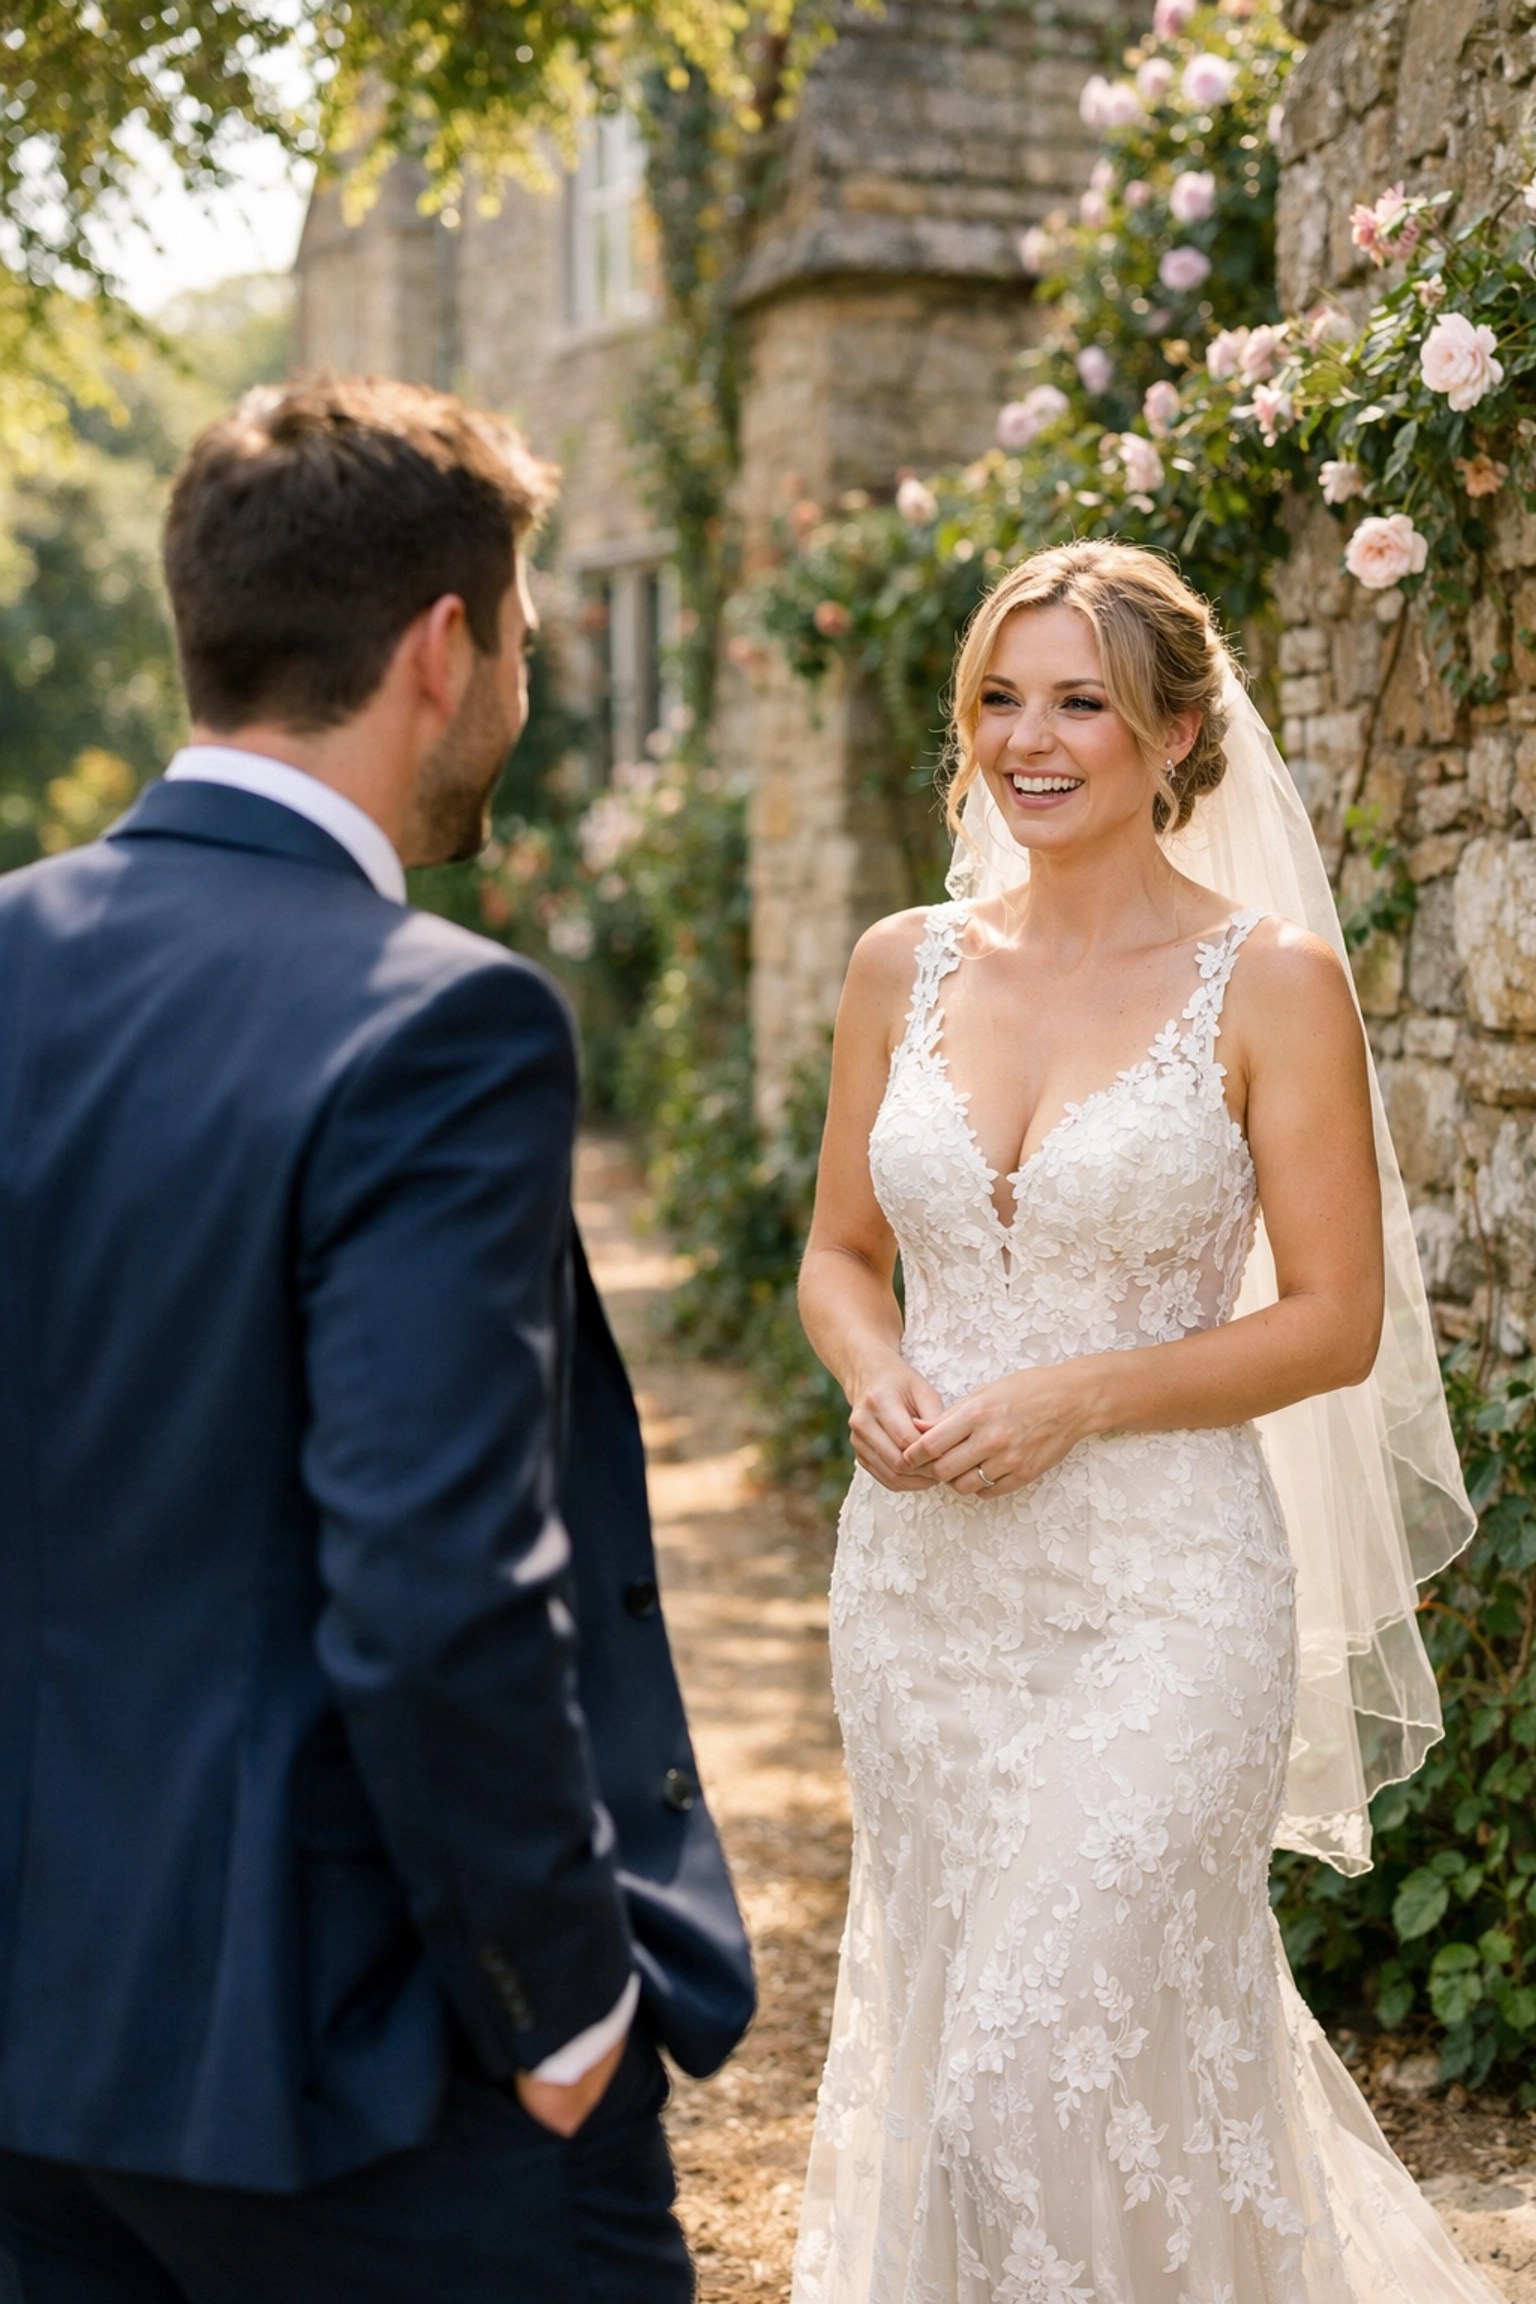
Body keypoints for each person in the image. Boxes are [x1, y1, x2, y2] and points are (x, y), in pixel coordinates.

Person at [0, 377, 753, 2303]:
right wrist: (566, 2007)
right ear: (444, 648)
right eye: (519, 638)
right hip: (374, 2073)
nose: (521, 684)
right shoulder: (438, 1024)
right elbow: (435, 1587)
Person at [790, 539, 1500, 2300]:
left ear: (1179, 732)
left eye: (1081, 703)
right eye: (1001, 701)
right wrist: (876, 1375)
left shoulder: (1269, 983)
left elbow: (1335, 1324)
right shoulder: (900, 966)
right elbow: (835, 1255)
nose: (1031, 741)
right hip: (925, 1597)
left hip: (1164, 1598)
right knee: (985, 2051)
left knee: (1023, 2077)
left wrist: (1081, 1395)